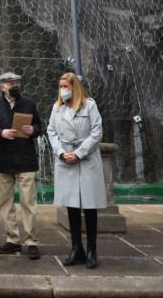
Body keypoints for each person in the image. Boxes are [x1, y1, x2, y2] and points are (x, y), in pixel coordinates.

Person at [46, 72, 106, 269]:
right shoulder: (57, 108)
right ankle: (76, 249)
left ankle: (92, 250)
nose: (62, 90)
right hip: (66, 159)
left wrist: (79, 152)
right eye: (60, 87)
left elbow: (97, 131)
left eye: (66, 86)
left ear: (75, 87)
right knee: (71, 206)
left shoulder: (90, 105)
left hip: (86, 159)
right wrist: (62, 152)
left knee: (89, 206)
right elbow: (51, 131)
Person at [0, 72, 43, 260]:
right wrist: (1, 133)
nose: (15, 85)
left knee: (28, 202)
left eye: (17, 82)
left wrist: (33, 130)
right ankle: (13, 240)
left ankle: (32, 242)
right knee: (5, 203)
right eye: (11, 83)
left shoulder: (29, 103)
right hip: (3, 160)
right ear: (2, 87)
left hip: (25, 160)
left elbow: (39, 126)